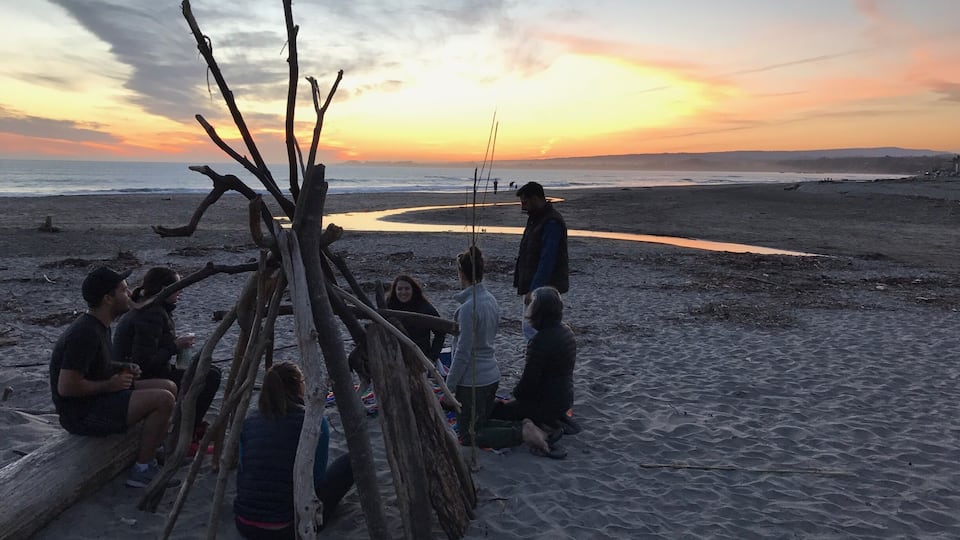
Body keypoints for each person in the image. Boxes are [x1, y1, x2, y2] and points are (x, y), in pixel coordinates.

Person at [49, 266, 179, 488]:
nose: (129, 295)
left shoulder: (99, 325)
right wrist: (110, 385)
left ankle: (150, 447)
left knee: (169, 386)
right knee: (163, 399)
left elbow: (98, 364)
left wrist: (122, 367)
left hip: (96, 400)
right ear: (108, 298)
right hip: (81, 414)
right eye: (123, 290)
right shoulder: (85, 333)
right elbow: (67, 387)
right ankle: (142, 469)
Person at [444, 246, 554, 454]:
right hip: (491, 374)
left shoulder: (469, 308)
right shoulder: (490, 299)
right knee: (481, 421)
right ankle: (525, 427)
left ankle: (522, 432)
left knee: (468, 434)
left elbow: (463, 352)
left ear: (461, 273)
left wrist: (449, 387)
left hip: (475, 379)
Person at [234, 362, 354, 539]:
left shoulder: (249, 422)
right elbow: (315, 479)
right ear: (298, 385)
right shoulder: (312, 423)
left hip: (245, 523)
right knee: (351, 461)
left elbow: (243, 468)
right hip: (289, 526)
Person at [113, 267, 222, 456]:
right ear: (165, 288)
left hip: (147, 370)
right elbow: (144, 363)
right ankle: (186, 436)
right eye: (178, 287)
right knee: (209, 377)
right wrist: (175, 346)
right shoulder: (151, 314)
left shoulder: (149, 307)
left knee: (210, 370)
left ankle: (190, 429)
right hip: (140, 377)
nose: (181, 292)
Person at [492, 286, 575, 432]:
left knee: (496, 411)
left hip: (546, 403)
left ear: (539, 312)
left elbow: (529, 382)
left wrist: (513, 398)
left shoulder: (540, 340)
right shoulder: (566, 330)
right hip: (565, 398)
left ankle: (542, 425)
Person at [513, 181, 569, 341]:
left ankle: (541, 360)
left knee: (533, 328)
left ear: (536, 198)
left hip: (545, 288)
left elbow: (547, 259)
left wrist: (534, 289)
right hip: (534, 284)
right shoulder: (536, 219)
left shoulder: (551, 222)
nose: (523, 207)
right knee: (535, 328)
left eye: (525, 202)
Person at [385, 274, 445, 361]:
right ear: (395, 290)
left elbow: (440, 332)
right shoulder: (389, 305)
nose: (403, 292)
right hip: (394, 356)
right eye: (400, 289)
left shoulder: (424, 307)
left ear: (413, 290)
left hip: (420, 357)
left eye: (407, 289)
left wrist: (432, 357)